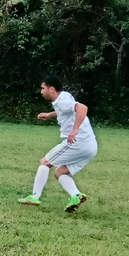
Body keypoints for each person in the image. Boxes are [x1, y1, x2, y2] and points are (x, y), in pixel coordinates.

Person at [19, 75, 98, 212]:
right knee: (60, 172)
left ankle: (35, 197)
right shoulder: (64, 97)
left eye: (43, 88)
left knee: (45, 162)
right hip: (91, 146)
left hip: (77, 142)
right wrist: (49, 114)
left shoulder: (62, 101)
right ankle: (76, 196)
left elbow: (82, 108)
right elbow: (66, 110)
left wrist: (75, 130)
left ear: (51, 89)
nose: (41, 92)